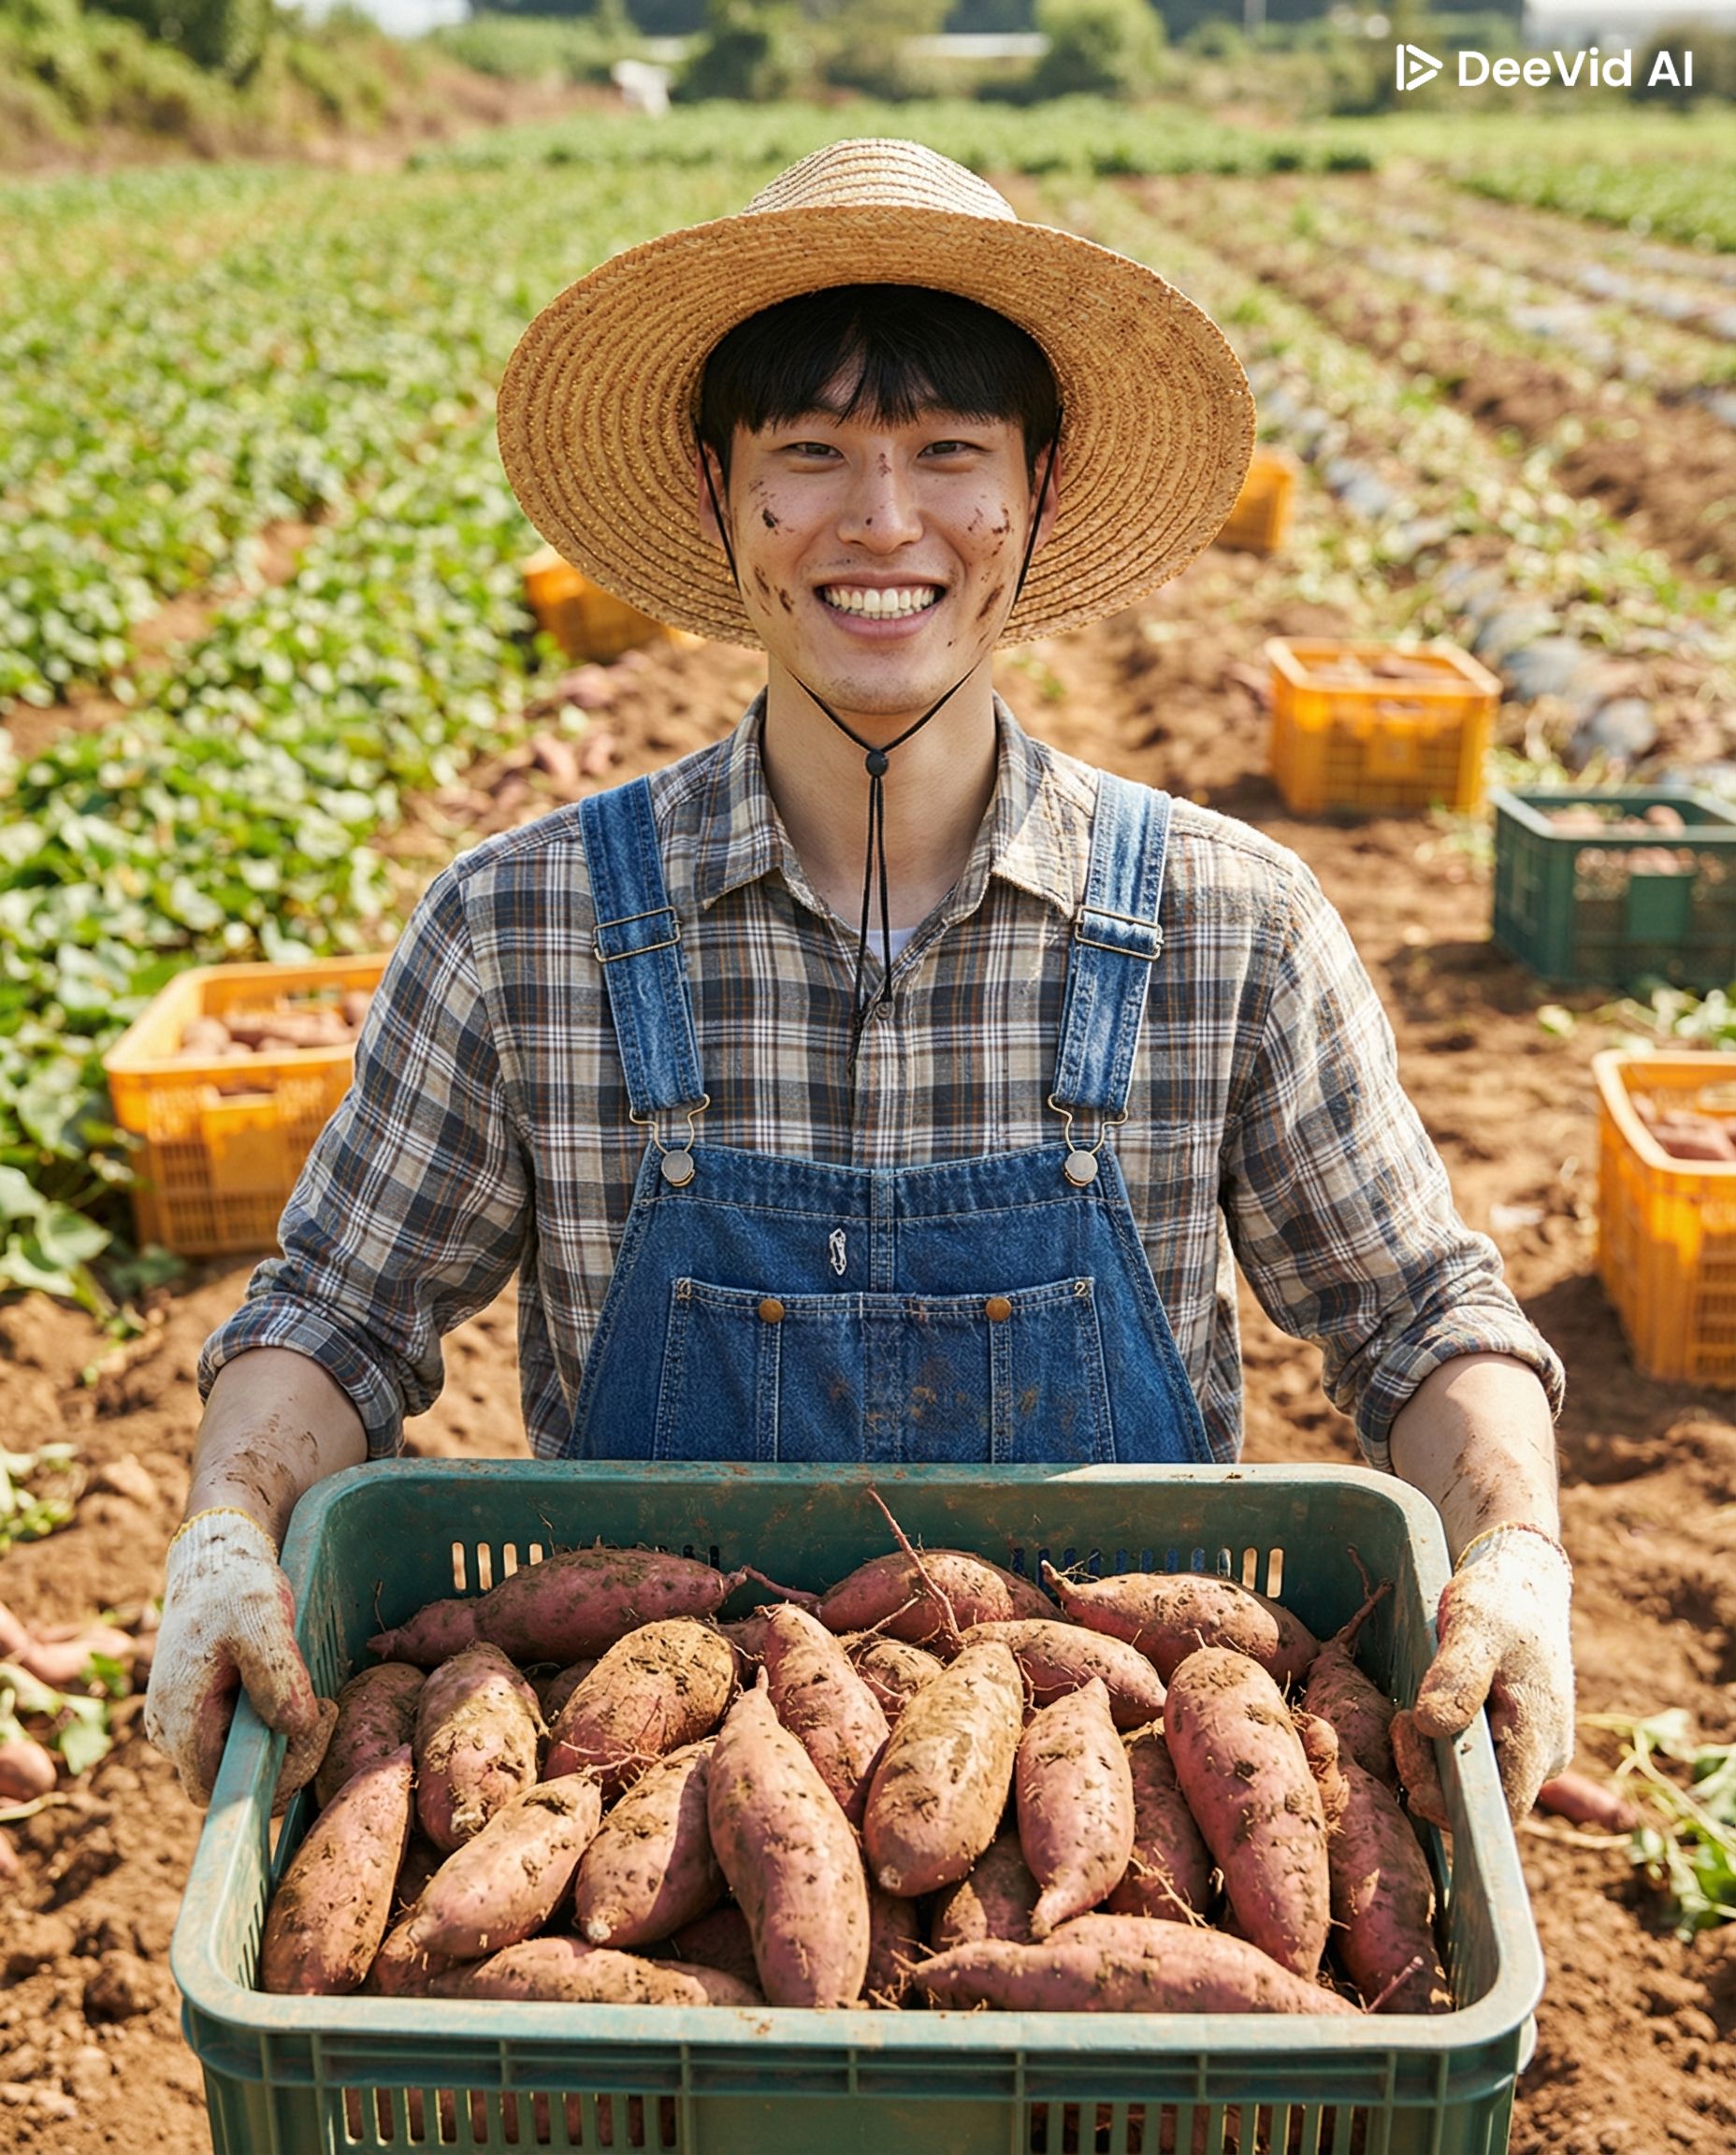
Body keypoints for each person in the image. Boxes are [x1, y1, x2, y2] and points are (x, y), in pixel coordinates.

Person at [145, 140, 1572, 1827]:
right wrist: (235, 1523)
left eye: (947, 452)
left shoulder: (1228, 923)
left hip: (1119, 1778)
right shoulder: (519, 931)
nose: (882, 524)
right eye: (810, 454)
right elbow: (338, 1314)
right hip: (646, 1790)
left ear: (1036, 493)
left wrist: (1514, 1554)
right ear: (714, 493)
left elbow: (1424, 1320)